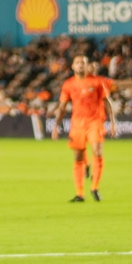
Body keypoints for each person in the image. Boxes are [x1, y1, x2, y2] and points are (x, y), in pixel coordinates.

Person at [52, 54, 116, 201]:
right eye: (78, 62)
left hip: (95, 121)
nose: (80, 65)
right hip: (77, 125)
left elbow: (107, 102)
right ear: (73, 66)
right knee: (78, 157)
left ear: (87, 66)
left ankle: (95, 187)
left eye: (83, 62)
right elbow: (62, 107)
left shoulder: (97, 82)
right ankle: (80, 193)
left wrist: (113, 122)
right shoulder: (68, 84)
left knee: (97, 151)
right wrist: (56, 126)